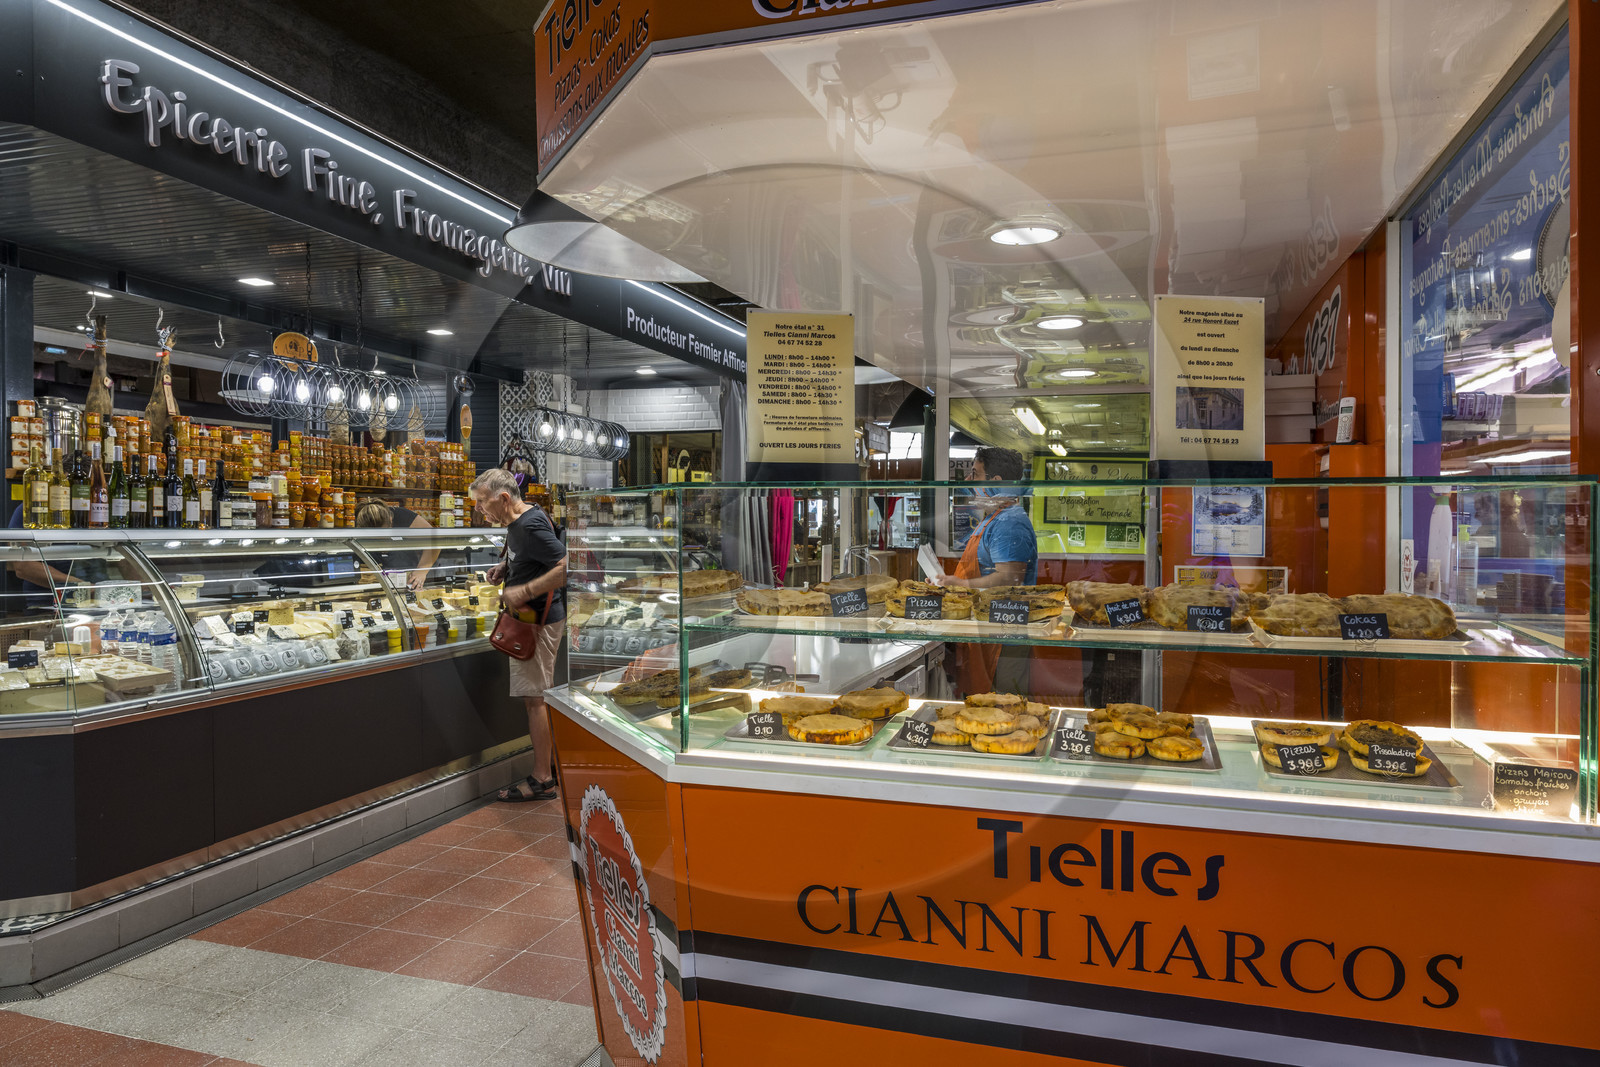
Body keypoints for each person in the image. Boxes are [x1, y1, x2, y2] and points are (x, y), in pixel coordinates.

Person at [470, 468, 567, 802]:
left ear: (503, 498)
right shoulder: (520, 522)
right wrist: (506, 568)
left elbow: (566, 567)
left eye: (482, 502)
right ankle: (548, 768)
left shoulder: (529, 526)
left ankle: (543, 779)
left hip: (536, 622)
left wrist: (524, 590)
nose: (479, 510)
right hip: (531, 620)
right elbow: (533, 559)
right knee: (534, 697)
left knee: (535, 700)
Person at [936, 446, 1037, 694]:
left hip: (1005, 631)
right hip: (988, 624)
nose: (968, 480)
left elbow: (1009, 578)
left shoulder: (1009, 522)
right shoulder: (993, 518)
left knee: (1005, 704)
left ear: (996, 480)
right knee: (984, 704)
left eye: (975, 473)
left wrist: (961, 584)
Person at [354, 500, 441, 591]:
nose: (380, 540)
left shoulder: (402, 516)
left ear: (391, 521)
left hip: (405, 579)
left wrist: (422, 570)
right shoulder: (356, 520)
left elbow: (435, 539)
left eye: (383, 535)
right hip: (370, 583)